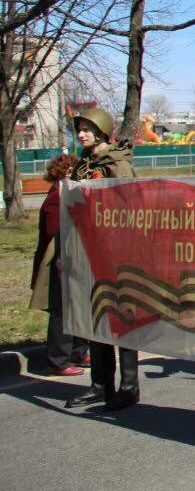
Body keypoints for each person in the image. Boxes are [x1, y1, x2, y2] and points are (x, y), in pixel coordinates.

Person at [64, 108, 140, 411]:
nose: (81, 134)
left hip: (118, 250)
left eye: (87, 128)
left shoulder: (117, 161)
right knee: (95, 316)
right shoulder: (82, 163)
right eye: (79, 128)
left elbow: (129, 201)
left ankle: (129, 386)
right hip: (88, 248)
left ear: (101, 130)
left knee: (122, 317)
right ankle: (100, 384)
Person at [30, 154, 87, 376]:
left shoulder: (70, 195)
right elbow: (55, 234)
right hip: (58, 263)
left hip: (75, 260)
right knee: (62, 310)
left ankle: (79, 352)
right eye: (72, 171)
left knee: (79, 307)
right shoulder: (56, 197)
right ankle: (59, 361)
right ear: (62, 173)